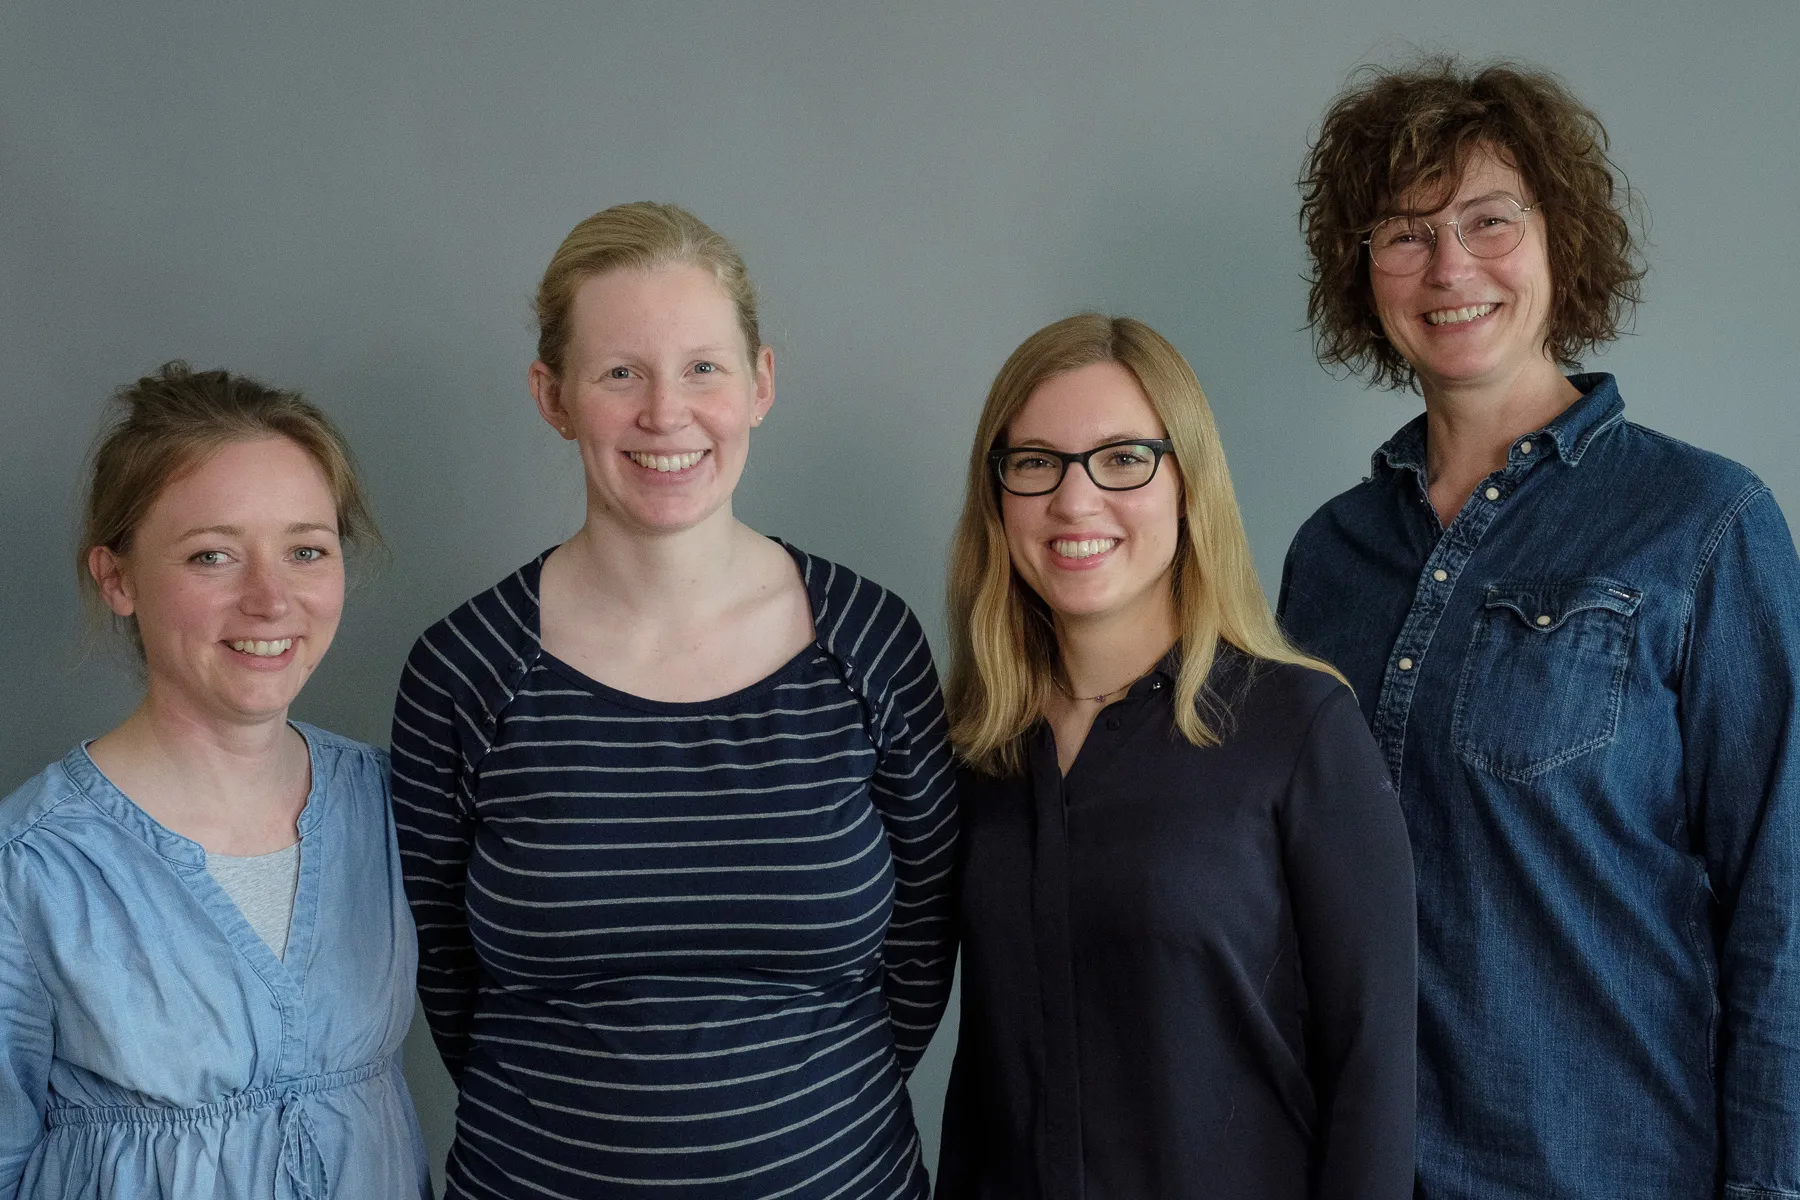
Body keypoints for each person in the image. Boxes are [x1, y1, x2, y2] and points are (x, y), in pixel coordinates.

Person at [1280, 59, 1800, 1198]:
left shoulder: (1706, 526)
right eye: (1404, 232)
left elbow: (1784, 903)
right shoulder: (1329, 558)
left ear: (1561, 239)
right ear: (1361, 272)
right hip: (1356, 1164)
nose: (1450, 265)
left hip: (1606, 1168)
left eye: (1488, 220)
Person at [390, 201, 959, 1199]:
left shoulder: (871, 640)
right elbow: (445, 974)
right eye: (621, 373)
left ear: (761, 383)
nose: (666, 413)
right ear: (552, 396)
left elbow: (920, 952)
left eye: (703, 367)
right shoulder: (463, 669)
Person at [935, 313, 1416, 1200]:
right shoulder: (976, 748)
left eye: (1124, 458)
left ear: (1188, 485)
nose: (1075, 502)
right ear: (998, 497)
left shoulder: (1301, 729)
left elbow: (1374, 1066)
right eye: (1036, 462)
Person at [0, 362, 431, 1199]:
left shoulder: (391, 807)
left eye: (306, 550)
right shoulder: (31, 869)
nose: (271, 600)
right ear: (118, 579)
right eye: (213, 556)